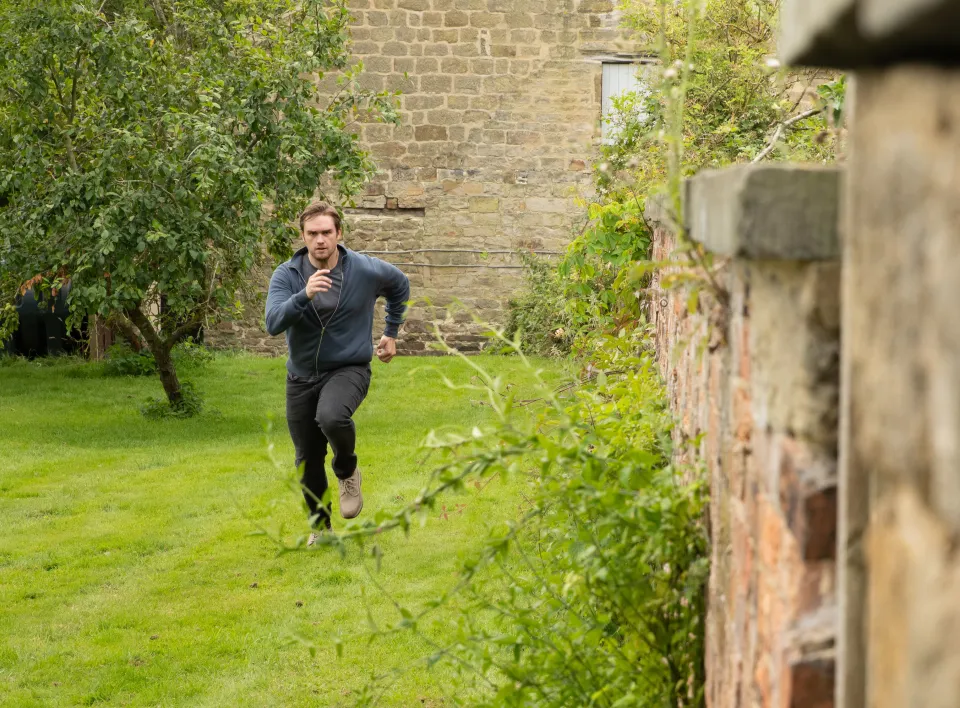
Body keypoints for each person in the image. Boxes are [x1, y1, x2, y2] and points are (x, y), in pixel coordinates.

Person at [265, 202, 410, 544]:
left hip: (349, 367)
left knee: (331, 417)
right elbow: (272, 323)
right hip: (300, 377)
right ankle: (321, 529)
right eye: (312, 233)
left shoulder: (363, 269)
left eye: (326, 232)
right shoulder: (286, 275)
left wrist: (390, 333)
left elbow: (399, 285)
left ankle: (347, 470)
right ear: (303, 237)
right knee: (307, 458)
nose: (320, 240)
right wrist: (304, 295)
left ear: (339, 234)